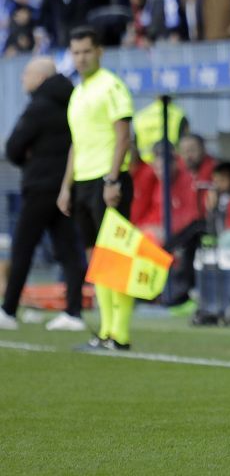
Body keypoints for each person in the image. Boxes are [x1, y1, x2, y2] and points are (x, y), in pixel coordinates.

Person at [57, 26, 135, 351]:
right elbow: (76, 143)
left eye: (86, 51)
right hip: (84, 181)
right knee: (97, 258)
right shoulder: (78, 92)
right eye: (76, 52)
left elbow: (123, 134)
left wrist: (113, 179)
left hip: (107, 179)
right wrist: (65, 187)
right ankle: (105, 330)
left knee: (116, 257)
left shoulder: (111, 85)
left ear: (99, 51)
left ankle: (121, 333)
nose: (81, 58)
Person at [0, 58, 86, 331]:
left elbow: (14, 146)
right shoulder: (73, 101)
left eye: (26, 73)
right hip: (66, 185)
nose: (22, 78)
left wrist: (30, 157)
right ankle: (74, 312)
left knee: (23, 247)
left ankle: (8, 310)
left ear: (40, 76)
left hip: (39, 186)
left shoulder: (38, 106)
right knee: (69, 251)